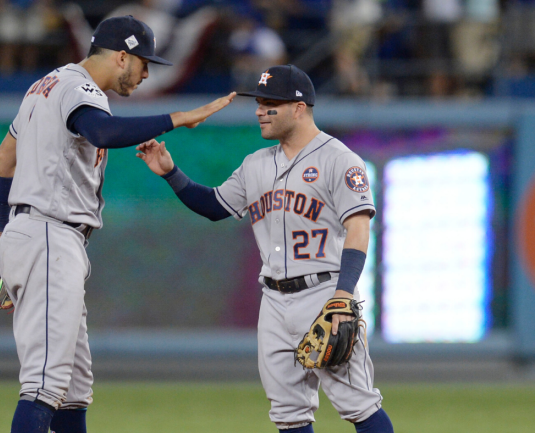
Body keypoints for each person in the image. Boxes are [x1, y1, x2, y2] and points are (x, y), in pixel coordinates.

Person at [0, 15, 235, 433]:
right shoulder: (78, 89)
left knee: (73, 389)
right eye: (144, 63)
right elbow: (101, 131)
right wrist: (177, 117)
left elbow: (1, 159)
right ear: (122, 56)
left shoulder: (43, 87)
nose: (146, 74)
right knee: (46, 383)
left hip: (44, 236)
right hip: (49, 236)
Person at [136, 65, 394, 433]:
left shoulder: (340, 160)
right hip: (273, 301)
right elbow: (214, 206)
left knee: (358, 404)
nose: (259, 110)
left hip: (323, 294)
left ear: (298, 108)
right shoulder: (255, 165)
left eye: (270, 103)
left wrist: (341, 296)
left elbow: (359, 228)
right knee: (288, 413)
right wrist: (170, 172)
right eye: (259, 102)